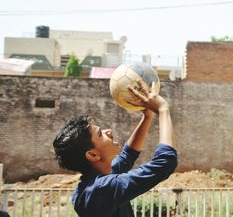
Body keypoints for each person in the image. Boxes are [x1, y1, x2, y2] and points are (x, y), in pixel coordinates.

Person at [53, 80, 177, 217]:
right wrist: (163, 109)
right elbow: (165, 163)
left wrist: (147, 116)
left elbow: (127, 156)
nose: (109, 131)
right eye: (101, 134)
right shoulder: (101, 189)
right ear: (93, 155)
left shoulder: (93, 183)